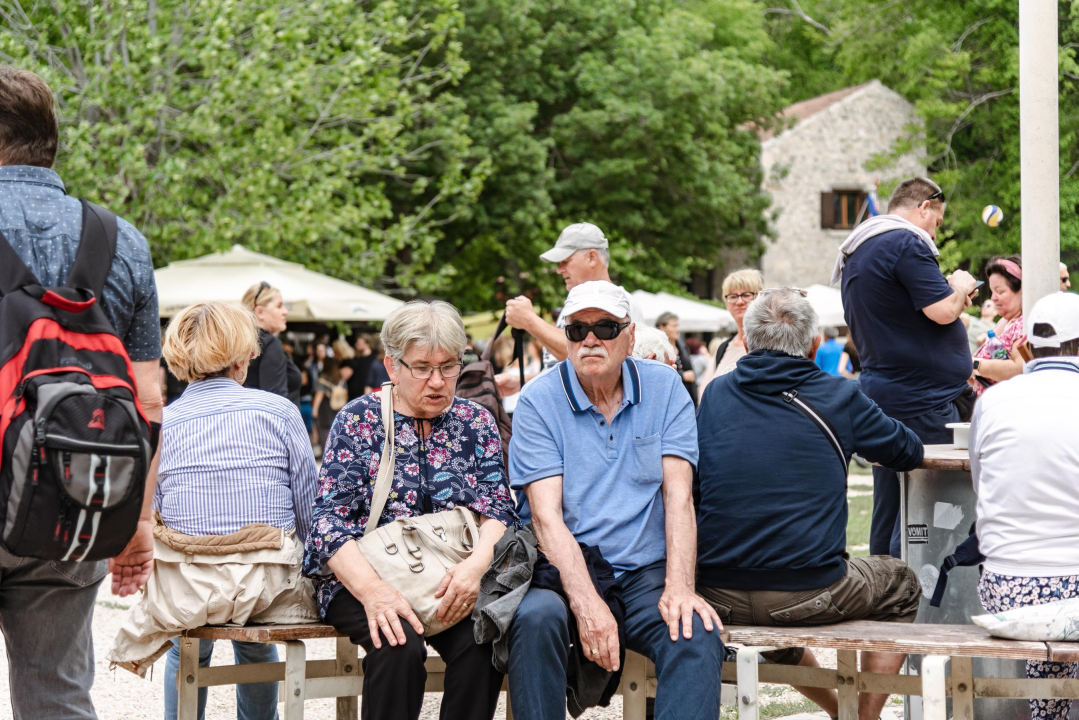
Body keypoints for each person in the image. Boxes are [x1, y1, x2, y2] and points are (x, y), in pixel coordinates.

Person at [0, 66, 164, 719]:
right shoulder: (120, 242)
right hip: (74, 496)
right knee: (58, 693)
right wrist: (138, 524)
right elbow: (148, 399)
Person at [695, 288, 923, 720]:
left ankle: (841, 711)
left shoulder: (715, 396)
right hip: (809, 591)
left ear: (746, 339)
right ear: (814, 344)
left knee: (779, 618)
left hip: (716, 591)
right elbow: (907, 450)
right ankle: (864, 717)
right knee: (900, 581)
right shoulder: (839, 395)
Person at [506, 280, 724, 720]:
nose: (590, 339)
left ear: (629, 335)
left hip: (644, 570)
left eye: (605, 327)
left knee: (694, 632)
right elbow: (546, 520)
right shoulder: (538, 400)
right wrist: (588, 603)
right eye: (576, 329)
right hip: (566, 565)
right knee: (534, 621)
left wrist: (680, 588)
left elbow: (679, 499)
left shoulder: (664, 388)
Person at [302, 300, 517, 720]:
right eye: (422, 367)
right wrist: (375, 593)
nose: (438, 381)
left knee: (483, 642)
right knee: (397, 645)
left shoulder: (476, 421)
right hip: (366, 576)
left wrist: (474, 570)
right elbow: (327, 524)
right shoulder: (358, 420)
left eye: (450, 366)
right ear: (392, 366)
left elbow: (499, 509)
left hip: (454, 573)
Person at [107, 302, 319, 720]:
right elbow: (309, 509)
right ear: (242, 359)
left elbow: (158, 511)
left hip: (185, 585)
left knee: (186, 643)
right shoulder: (279, 412)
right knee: (255, 639)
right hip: (265, 582)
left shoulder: (164, 422)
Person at [834, 177, 975, 558]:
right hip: (922, 400)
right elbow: (944, 310)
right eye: (938, 222)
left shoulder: (859, 248)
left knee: (891, 502)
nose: (936, 232)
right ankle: (913, 597)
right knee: (926, 507)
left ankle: (882, 589)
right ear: (924, 207)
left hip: (886, 393)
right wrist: (959, 286)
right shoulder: (905, 241)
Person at [971, 292, 1079, 720]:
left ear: (1028, 348)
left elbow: (982, 488)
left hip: (1006, 591)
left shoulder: (993, 401)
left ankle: (1048, 712)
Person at [500, 222, 644, 393]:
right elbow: (568, 368)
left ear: (592, 257)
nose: (559, 270)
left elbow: (593, 363)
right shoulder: (571, 307)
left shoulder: (622, 304)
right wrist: (521, 382)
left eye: (565, 261)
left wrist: (529, 321)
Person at [699, 268, 764, 391]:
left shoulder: (771, 344)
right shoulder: (723, 349)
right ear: (726, 304)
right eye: (733, 296)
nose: (739, 302)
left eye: (746, 295)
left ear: (759, 298)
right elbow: (705, 392)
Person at [241, 281, 302, 408]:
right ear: (260, 312)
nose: (285, 311)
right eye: (279, 306)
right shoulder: (270, 344)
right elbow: (276, 402)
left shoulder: (239, 343)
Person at [971, 256, 1025, 394]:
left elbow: (1019, 369)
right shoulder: (1004, 321)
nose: (993, 298)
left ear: (1021, 290)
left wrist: (975, 365)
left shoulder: (1023, 323)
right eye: (992, 291)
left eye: (999, 291)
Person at [656, 312, 698, 406]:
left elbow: (691, 372)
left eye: (678, 326)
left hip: (688, 399)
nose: (677, 329)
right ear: (661, 327)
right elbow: (658, 373)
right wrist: (682, 375)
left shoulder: (682, 346)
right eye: (674, 326)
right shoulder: (657, 348)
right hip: (670, 401)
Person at [312, 355, 347, 453]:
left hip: (325, 409)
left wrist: (314, 410)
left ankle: (327, 453)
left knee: (325, 432)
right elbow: (345, 392)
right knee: (338, 430)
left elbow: (319, 395)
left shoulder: (322, 378)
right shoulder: (340, 378)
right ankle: (338, 452)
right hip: (339, 407)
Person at [345, 334, 375, 400]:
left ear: (367, 344)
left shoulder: (374, 359)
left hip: (366, 395)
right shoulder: (355, 359)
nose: (356, 345)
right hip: (353, 396)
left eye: (359, 343)